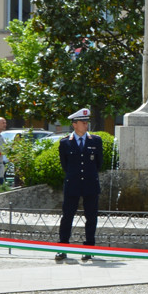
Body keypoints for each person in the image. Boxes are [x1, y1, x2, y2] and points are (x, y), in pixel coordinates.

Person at [56, 108, 103, 263]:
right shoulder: (65, 143)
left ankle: (88, 248)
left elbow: (98, 164)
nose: (86, 124)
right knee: (67, 217)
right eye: (83, 122)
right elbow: (65, 165)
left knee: (91, 217)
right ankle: (63, 247)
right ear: (75, 124)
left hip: (90, 184)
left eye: (87, 122)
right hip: (73, 184)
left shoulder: (95, 141)